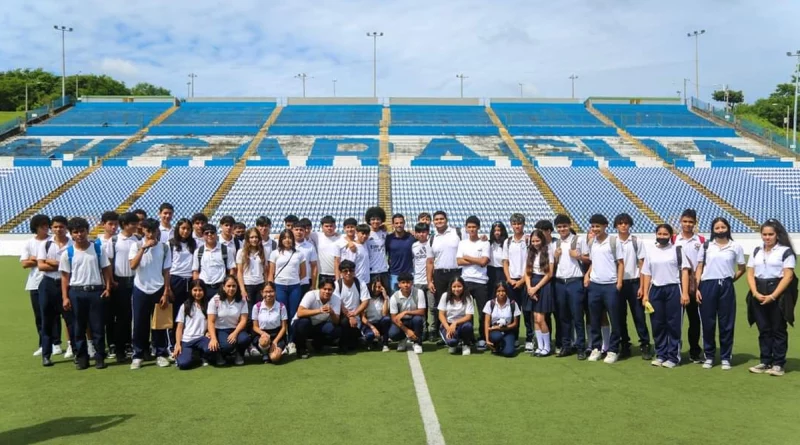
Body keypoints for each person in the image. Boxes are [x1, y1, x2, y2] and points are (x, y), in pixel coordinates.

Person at [59, 217, 112, 370]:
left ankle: (100, 356)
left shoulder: (97, 249)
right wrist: (65, 297)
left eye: (82, 231)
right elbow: (65, 277)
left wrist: (108, 288)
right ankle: (82, 357)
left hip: (96, 291)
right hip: (76, 292)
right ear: (71, 234)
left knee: (97, 327)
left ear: (87, 231)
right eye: (75, 232)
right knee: (78, 327)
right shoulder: (67, 253)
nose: (79, 235)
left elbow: (106, 270)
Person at [746, 219, 796, 377]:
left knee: (778, 329)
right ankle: (765, 360)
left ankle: (779, 364)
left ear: (777, 235)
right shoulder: (756, 251)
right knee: (763, 329)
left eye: (770, 234)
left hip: (778, 292)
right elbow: (750, 273)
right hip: (758, 291)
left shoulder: (785, 251)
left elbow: (788, 277)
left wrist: (773, 296)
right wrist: (755, 292)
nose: (767, 237)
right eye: (764, 234)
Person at [696, 217, 745, 370]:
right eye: (717, 228)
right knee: (708, 323)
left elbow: (742, 268)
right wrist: (697, 288)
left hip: (726, 286)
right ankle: (709, 356)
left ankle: (725, 357)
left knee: (727, 323)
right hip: (707, 286)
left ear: (728, 228)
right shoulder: (706, 246)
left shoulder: (735, 246)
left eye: (723, 227)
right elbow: (699, 268)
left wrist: (730, 280)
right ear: (713, 230)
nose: (720, 230)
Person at [640, 224, 690, 368]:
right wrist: (645, 294)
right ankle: (661, 354)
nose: (662, 237)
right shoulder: (650, 251)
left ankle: (674, 357)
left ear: (670, 235)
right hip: (655, 290)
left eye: (665, 234)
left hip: (673, 289)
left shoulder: (677, 250)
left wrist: (685, 293)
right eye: (659, 234)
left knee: (673, 324)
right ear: (656, 234)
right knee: (657, 323)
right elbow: (647, 273)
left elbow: (685, 272)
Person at [128, 218, 172, 370]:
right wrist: (143, 248)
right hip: (140, 288)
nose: (151, 234)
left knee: (159, 324)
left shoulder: (165, 248)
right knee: (140, 323)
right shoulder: (136, 245)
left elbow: (167, 271)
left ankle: (160, 354)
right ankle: (138, 355)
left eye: (154, 231)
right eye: (148, 231)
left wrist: (166, 292)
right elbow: (132, 265)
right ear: (143, 231)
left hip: (158, 288)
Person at [584, 214, 624, 364]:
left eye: (597, 226)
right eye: (593, 226)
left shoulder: (613, 241)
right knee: (594, 318)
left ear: (605, 226)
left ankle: (613, 349)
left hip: (610, 285)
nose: (595, 229)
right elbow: (593, 262)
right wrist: (587, 275)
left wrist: (619, 283)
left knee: (614, 318)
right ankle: (596, 347)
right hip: (595, 285)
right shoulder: (591, 242)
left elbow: (620, 263)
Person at [37, 216, 75, 364]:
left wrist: (54, 262)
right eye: (55, 227)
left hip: (67, 284)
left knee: (71, 320)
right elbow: (41, 266)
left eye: (61, 227)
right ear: (51, 228)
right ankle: (46, 355)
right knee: (47, 320)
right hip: (47, 284)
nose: (59, 229)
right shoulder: (46, 244)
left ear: (66, 228)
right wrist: (62, 264)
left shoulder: (72, 244)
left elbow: (74, 266)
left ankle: (76, 351)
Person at [613, 213, 651, 360]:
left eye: (626, 223)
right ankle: (625, 345)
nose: (623, 226)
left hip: (634, 282)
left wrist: (642, 286)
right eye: (620, 223)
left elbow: (642, 264)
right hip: (618, 283)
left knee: (639, 316)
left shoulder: (636, 241)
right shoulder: (613, 241)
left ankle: (645, 344)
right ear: (616, 225)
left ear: (630, 225)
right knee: (620, 316)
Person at [105, 212, 141, 362]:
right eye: (133, 223)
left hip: (137, 280)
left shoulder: (138, 239)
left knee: (135, 316)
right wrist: (111, 281)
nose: (136, 226)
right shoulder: (114, 241)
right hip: (119, 281)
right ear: (125, 225)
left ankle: (132, 345)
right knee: (121, 317)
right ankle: (119, 349)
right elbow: (108, 263)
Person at [552, 214, 589, 360]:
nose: (562, 229)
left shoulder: (578, 240)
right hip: (560, 282)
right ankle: (566, 346)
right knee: (563, 316)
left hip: (575, 281)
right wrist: (555, 256)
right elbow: (554, 264)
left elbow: (588, 258)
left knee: (577, 316)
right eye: (559, 227)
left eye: (564, 226)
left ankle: (580, 347)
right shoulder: (556, 243)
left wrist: (578, 256)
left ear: (570, 225)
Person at [672, 209, 705, 364]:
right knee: (676, 320)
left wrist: (696, 286)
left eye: (691, 222)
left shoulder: (701, 240)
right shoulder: (673, 239)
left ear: (695, 223)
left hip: (694, 285)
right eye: (685, 221)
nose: (687, 224)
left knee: (694, 320)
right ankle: (674, 350)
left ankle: (694, 351)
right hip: (675, 284)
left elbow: (700, 265)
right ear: (680, 221)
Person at [268, 229, 306, 355]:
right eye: (284, 237)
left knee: (293, 315)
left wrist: (293, 280)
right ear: (280, 240)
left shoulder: (299, 254)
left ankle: (292, 341)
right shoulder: (275, 253)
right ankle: (282, 342)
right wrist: (271, 287)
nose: (287, 240)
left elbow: (303, 273)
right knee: (282, 315)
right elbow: (271, 273)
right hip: (279, 286)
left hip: (294, 286)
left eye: (289, 237)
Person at [427, 211, 462, 342]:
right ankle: (443, 332)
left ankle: (461, 331)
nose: (439, 221)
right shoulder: (432, 238)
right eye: (436, 219)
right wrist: (429, 280)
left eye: (441, 219)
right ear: (433, 222)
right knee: (441, 304)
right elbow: (430, 262)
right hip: (439, 274)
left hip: (456, 273)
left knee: (459, 302)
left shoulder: (457, 232)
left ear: (446, 220)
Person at [456, 216, 490, 350]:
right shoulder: (462, 243)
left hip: (481, 282)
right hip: (466, 281)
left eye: (474, 227)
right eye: (469, 227)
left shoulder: (484, 243)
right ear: (466, 228)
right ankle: (468, 338)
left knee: (482, 312)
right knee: (467, 312)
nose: (471, 229)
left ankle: (482, 338)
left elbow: (484, 262)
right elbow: (459, 261)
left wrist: (468, 258)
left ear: (478, 228)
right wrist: (477, 260)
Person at [22, 214, 52, 358]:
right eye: (42, 226)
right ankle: (43, 344)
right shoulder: (29, 243)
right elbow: (24, 263)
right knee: (39, 315)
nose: (46, 228)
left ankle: (56, 343)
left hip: (50, 281)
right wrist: (39, 261)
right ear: (36, 227)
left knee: (53, 314)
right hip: (34, 283)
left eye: (47, 225)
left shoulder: (52, 241)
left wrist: (36, 259)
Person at [293, 279, 342, 359]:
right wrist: (319, 310)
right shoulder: (310, 295)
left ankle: (317, 343)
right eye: (324, 289)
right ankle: (301, 348)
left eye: (330, 290)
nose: (327, 292)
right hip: (302, 324)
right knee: (304, 323)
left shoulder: (336, 299)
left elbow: (336, 321)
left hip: (319, 326)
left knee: (336, 330)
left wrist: (332, 313)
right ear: (319, 288)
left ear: (333, 290)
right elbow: (300, 312)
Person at [168, 218, 196, 356]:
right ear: (178, 229)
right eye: (183, 228)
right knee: (174, 314)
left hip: (190, 281)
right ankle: (173, 345)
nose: (185, 231)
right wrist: (168, 288)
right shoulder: (171, 244)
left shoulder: (193, 244)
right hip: (175, 280)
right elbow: (167, 267)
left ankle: (187, 343)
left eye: (188, 229)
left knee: (190, 313)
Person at [207, 275, 250, 366]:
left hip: (236, 329)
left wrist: (235, 333)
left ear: (237, 287)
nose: (231, 288)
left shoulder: (242, 300)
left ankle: (239, 354)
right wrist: (213, 338)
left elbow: (243, 320)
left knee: (245, 339)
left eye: (234, 286)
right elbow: (211, 321)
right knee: (227, 346)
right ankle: (220, 354)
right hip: (221, 330)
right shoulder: (215, 300)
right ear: (223, 287)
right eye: (228, 286)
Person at [503, 213, 531, 350]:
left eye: (519, 224)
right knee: (513, 311)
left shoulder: (529, 240)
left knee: (527, 311)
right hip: (512, 281)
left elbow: (531, 262)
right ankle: (513, 337)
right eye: (514, 224)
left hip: (526, 281)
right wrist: (509, 279)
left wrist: (523, 280)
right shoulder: (507, 241)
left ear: (523, 225)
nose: (516, 226)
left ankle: (529, 339)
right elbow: (505, 262)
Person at [525, 230, 555, 357]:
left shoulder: (548, 251)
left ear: (542, 240)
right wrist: (529, 288)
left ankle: (547, 347)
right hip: (532, 284)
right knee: (535, 319)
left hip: (543, 284)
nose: (535, 243)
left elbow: (549, 274)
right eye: (533, 241)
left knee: (540, 318)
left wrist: (536, 288)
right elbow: (527, 272)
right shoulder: (530, 252)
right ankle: (540, 346)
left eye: (537, 240)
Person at [192, 224, 235, 302]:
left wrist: (228, 286)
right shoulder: (198, 251)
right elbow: (196, 271)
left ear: (216, 234)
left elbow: (231, 269)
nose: (209, 235)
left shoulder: (226, 250)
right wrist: (197, 288)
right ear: (203, 235)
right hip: (204, 287)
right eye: (206, 233)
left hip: (220, 287)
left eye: (212, 232)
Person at [335, 260, 370, 352]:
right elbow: (338, 303)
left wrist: (354, 314)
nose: (348, 273)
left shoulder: (360, 283)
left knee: (354, 345)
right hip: (342, 318)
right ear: (341, 272)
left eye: (351, 270)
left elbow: (365, 301)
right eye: (345, 271)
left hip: (357, 319)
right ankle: (342, 345)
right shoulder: (337, 284)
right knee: (344, 322)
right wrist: (349, 316)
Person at [174, 279, 210, 370]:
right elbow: (179, 327)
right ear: (190, 291)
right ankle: (192, 355)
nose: (198, 293)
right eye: (195, 290)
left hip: (201, 339)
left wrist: (208, 332)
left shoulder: (208, 306)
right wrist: (178, 344)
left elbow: (212, 322)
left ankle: (202, 356)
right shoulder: (185, 306)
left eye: (200, 290)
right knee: (183, 364)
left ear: (204, 291)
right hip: (187, 341)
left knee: (212, 349)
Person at [388, 272, 426, 354]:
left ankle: (417, 343)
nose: (406, 285)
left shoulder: (419, 292)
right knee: (392, 334)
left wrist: (406, 312)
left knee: (418, 319)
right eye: (403, 282)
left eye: (408, 282)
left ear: (412, 283)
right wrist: (407, 331)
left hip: (414, 320)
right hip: (402, 322)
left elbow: (422, 311)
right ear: (399, 284)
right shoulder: (394, 297)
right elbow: (394, 318)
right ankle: (402, 339)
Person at [251, 282, 288, 364]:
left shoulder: (281, 306)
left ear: (275, 292)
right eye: (266, 292)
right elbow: (255, 327)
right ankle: (264, 353)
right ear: (262, 293)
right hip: (262, 335)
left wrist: (275, 341)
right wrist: (263, 333)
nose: (268, 294)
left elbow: (283, 327)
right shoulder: (256, 307)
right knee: (264, 341)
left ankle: (277, 350)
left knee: (275, 358)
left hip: (277, 335)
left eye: (271, 291)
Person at [437, 277, 475, 355]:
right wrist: (448, 328)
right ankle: (453, 344)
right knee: (452, 342)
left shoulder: (468, 297)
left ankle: (466, 344)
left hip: (462, 324)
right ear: (450, 287)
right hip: (448, 324)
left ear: (463, 287)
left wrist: (455, 323)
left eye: (459, 286)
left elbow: (468, 316)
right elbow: (441, 315)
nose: (456, 289)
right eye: (454, 287)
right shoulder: (445, 296)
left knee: (468, 326)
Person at [483, 282, 521, 358]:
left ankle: (501, 346)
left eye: (503, 291)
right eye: (498, 291)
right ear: (495, 292)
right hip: (494, 331)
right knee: (497, 336)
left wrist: (501, 327)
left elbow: (515, 324)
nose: (501, 293)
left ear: (506, 292)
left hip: (508, 331)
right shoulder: (490, 303)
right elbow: (486, 323)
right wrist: (487, 340)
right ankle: (497, 345)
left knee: (509, 353)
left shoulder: (513, 304)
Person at [411, 223, 436, 340]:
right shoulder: (413, 246)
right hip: (417, 281)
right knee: (421, 308)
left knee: (432, 307)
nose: (421, 234)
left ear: (428, 232)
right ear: (416, 233)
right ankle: (423, 330)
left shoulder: (432, 244)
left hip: (430, 281)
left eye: (424, 232)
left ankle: (433, 330)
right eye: (419, 232)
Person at [236, 228, 267, 318]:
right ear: (247, 239)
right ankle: (249, 331)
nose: (254, 239)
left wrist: (265, 286)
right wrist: (242, 290)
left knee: (259, 311)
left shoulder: (263, 251)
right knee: (249, 312)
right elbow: (239, 272)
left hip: (260, 285)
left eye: (256, 237)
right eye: (252, 237)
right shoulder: (241, 252)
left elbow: (265, 270)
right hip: (248, 285)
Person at [386, 214, 415, 291]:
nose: (399, 225)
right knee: (393, 299)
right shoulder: (388, 239)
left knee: (410, 300)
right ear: (393, 224)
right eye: (396, 223)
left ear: (404, 223)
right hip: (394, 274)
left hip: (409, 273)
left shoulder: (411, 237)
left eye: (401, 223)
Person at [361, 278, 391, 351]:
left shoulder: (385, 298)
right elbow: (363, 317)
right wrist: (372, 327)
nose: (377, 289)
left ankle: (385, 344)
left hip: (380, 323)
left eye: (379, 287)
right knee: (369, 335)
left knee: (386, 319)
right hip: (369, 324)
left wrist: (385, 298)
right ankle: (370, 342)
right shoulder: (366, 299)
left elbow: (384, 314)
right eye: (375, 287)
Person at [310, 215, 340, 284]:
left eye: (331, 226)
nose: (329, 228)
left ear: (335, 227)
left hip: (337, 274)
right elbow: (303, 233)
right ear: (322, 227)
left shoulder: (340, 237)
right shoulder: (317, 236)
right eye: (326, 226)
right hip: (322, 274)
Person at [366, 207, 390, 291]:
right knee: (373, 297)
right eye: (373, 219)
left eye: (378, 219)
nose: (375, 221)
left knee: (385, 296)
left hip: (384, 271)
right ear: (369, 220)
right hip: (371, 272)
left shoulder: (385, 233)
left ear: (381, 220)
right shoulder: (366, 234)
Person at [293, 222, 318, 295]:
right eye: (296, 229)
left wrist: (313, 285)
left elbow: (314, 266)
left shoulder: (310, 246)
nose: (299, 232)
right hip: (291, 281)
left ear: (304, 231)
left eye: (301, 230)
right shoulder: (288, 245)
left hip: (305, 281)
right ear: (292, 231)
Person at [487, 222, 508, 302]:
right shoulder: (489, 243)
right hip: (490, 271)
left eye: (499, 230)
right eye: (495, 230)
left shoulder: (506, 244)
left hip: (503, 271)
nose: (497, 232)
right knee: (491, 297)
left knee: (503, 296)